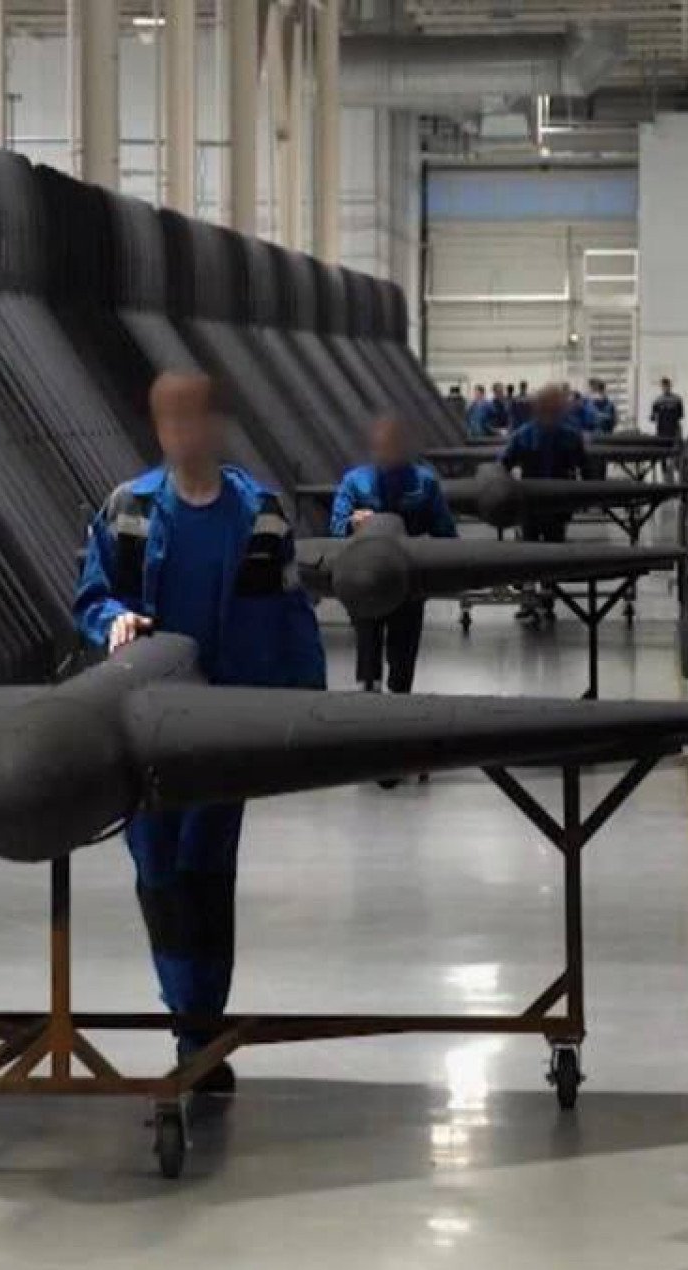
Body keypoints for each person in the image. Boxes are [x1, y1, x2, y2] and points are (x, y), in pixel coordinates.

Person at [74, 372, 327, 1091]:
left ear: (218, 424)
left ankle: (199, 1028)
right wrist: (111, 622)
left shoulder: (263, 516)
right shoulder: (128, 510)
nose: (180, 431)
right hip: (145, 731)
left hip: (224, 732)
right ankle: (189, 1018)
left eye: (192, 417)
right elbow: (92, 595)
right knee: (158, 872)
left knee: (209, 873)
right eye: (168, 418)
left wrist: (311, 717)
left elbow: (292, 614)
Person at [329, 415, 457, 697]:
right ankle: (370, 685)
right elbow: (336, 525)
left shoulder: (424, 483)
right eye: (382, 445)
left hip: (409, 581)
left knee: (403, 658)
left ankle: (399, 695)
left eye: (393, 444)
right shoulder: (355, 482)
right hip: (365, 578)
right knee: (368, 648)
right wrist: (351, 523)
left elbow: (445, 532)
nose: (387, 451)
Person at [499, 384, 588, 619]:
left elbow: (503, 465)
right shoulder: (570, 436)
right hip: (557, 504)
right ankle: (547, 598)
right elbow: (585, 468)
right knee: (552, 551)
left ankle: (531, 601)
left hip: (532, 503)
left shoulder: (524, 434)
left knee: (529, 551)